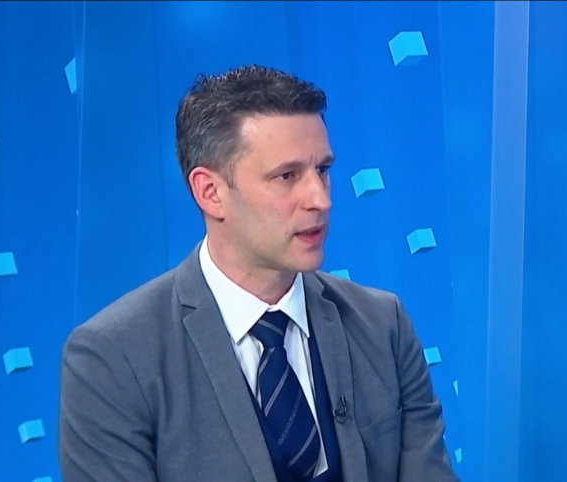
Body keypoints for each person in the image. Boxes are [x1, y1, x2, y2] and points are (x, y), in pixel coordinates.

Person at [58, 64, 460, 482]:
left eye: (323, 170)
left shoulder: (382, 325)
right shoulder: (113, 360)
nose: (320, 199)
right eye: (287, 176)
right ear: (210, 192)